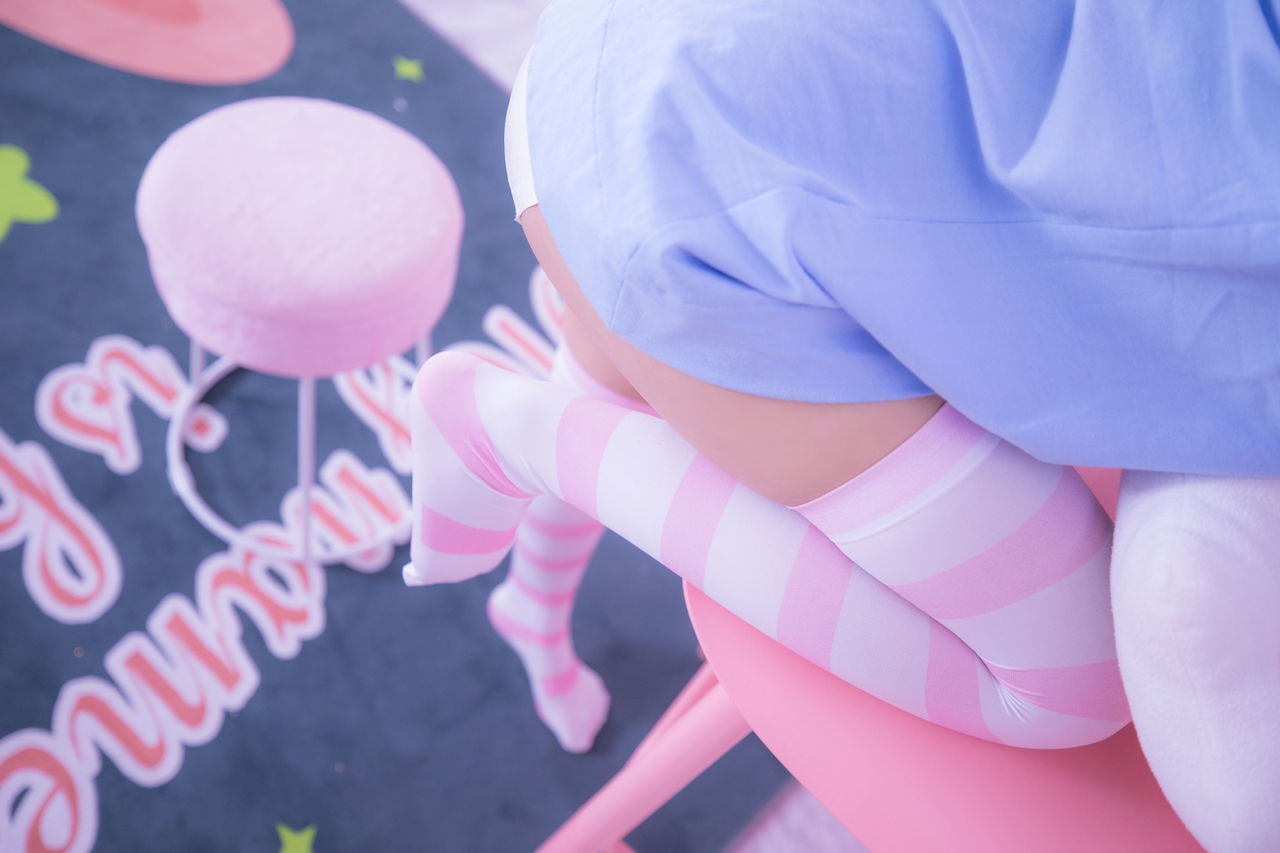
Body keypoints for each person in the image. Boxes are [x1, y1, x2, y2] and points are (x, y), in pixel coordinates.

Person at [410, 2, 1280, 849]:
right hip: (692, 201)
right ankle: (512, 435)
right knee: (1073, 686)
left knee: (614, 356)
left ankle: (533, 603)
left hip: (609, 58)